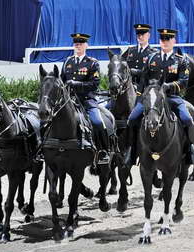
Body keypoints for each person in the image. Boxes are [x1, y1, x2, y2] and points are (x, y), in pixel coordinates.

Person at [132, 28, 194, 174]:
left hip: (172, 97)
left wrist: (169, 86)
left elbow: (184, 82)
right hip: (152, 98)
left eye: (168, 39)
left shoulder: (180, 60)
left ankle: (190, 150)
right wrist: (139, 97)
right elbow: (143, 80)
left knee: (187, 119)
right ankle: (132, 151)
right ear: (159, 41)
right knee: (132, 118)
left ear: (173, 41)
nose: (165, 42)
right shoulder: (152, 59)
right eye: (162, 39)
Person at [61, 33, 112, 163]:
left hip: (86, 100)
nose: (78, 46)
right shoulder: (68, 61)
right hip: (69, 101)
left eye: (81, 44)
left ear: (86, 45)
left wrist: (77, 84)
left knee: (98, 123)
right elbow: (61, 81)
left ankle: (103, 151)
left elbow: (94, 84)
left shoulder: (92, 63)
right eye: (76, 44)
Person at [122, 23, 158, 93]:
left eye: (142, 35)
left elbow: (154, 74)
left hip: (146, 88)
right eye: (138, 35)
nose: (140, 37)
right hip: (129, 88)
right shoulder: (130, 51)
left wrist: (137, 72)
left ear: (148, 36)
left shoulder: (154, 53)